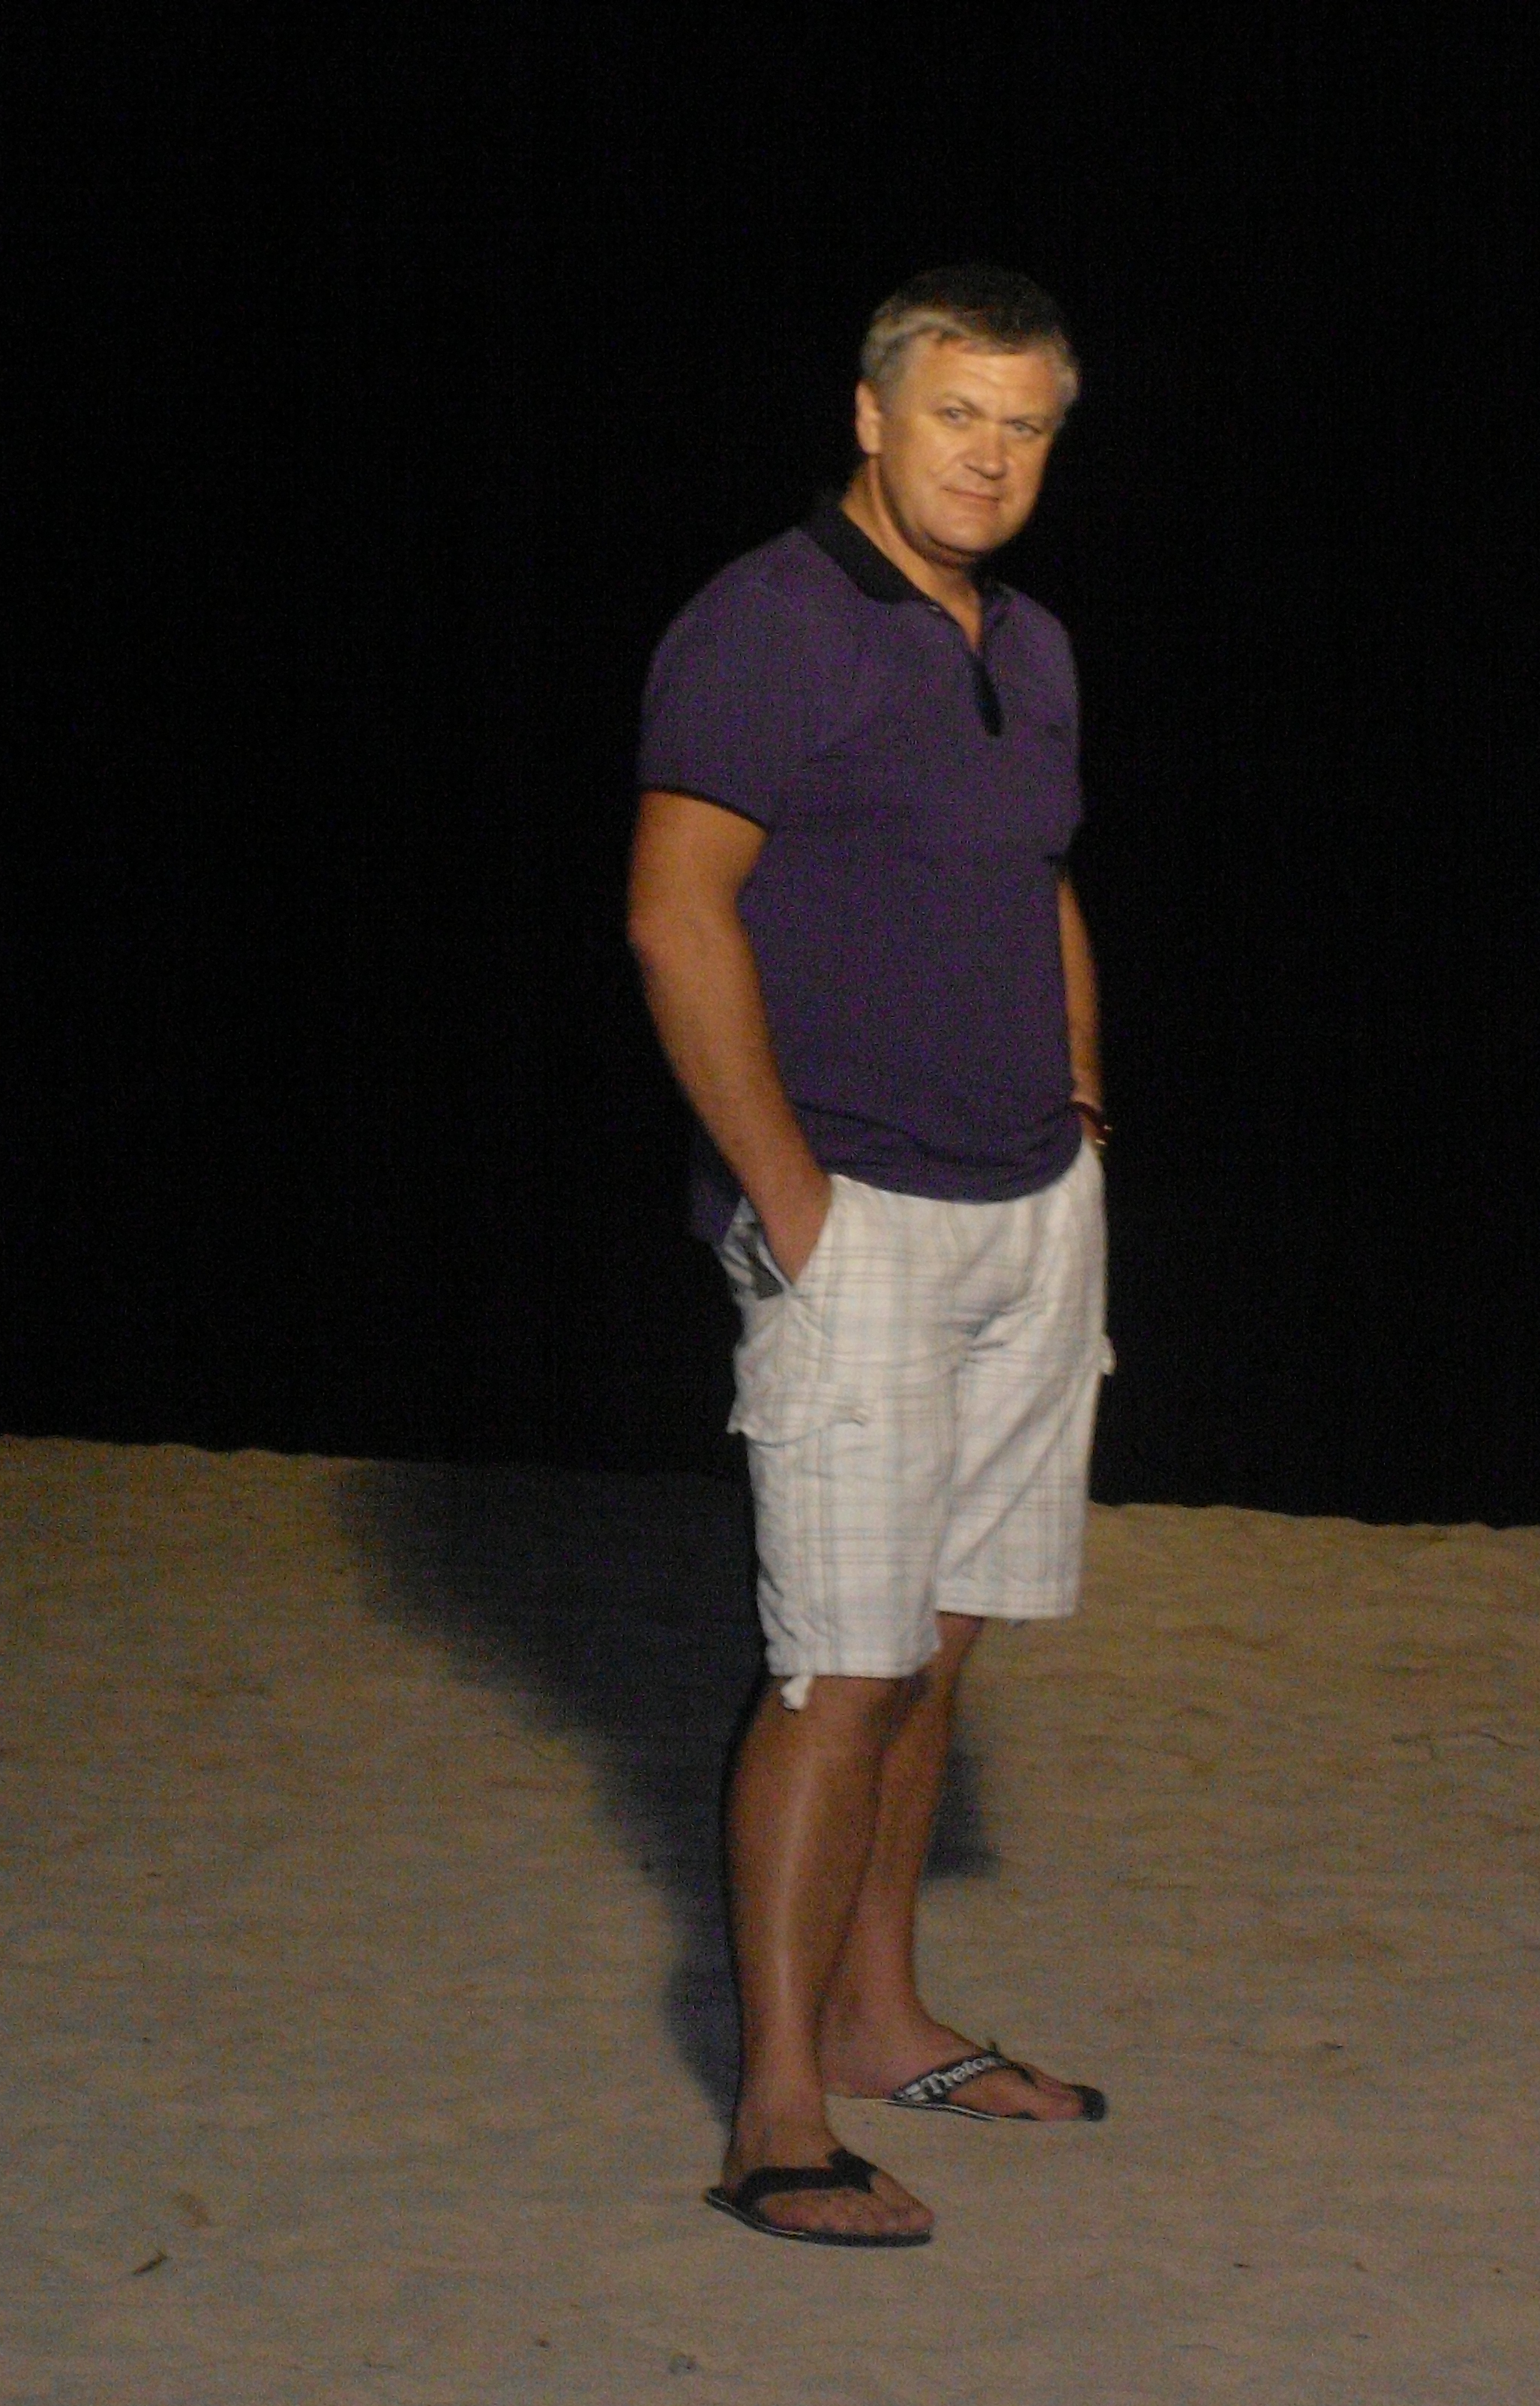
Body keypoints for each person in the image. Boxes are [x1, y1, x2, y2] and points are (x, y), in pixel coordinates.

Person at [628, 265, 1112, 2247]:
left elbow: (1035, 874)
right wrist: (791, 1197)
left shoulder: (1031, 639)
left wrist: (1080, 1099)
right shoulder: (765, 626)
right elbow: (676, 912)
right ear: (870, 416)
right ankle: (774, 2112)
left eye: (1027, 427)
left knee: (940, 1644)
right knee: (838, 1666)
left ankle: (882, 2016)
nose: (991, 458)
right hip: (861, 1217)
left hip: (1032, 1212)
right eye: (957, 417)